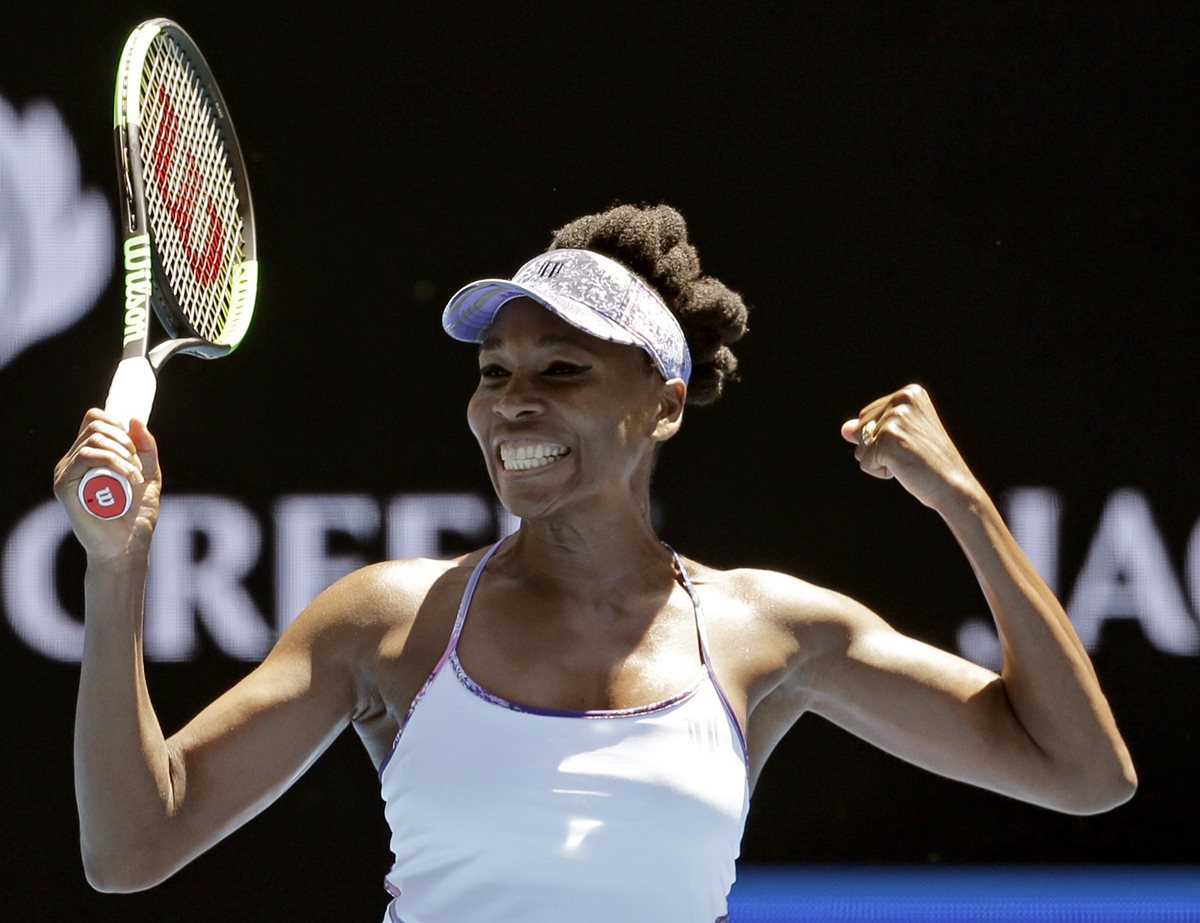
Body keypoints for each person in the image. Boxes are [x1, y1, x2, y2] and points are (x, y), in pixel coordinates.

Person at [54, 203, 1135, 922]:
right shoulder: (385, 620)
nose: (513, 399)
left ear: (662, 404)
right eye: (492, 371)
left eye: (563, 367)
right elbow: (133, 845)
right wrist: (116, 568)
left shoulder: (772, 631)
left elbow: (1082, 775)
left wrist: (964, 503)